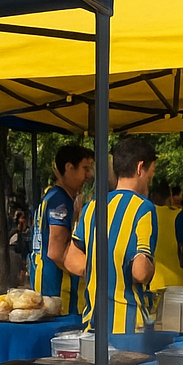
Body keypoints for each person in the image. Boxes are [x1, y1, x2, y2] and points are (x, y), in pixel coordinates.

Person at [64, 137, 158, 334]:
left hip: (93, 323)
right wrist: (150, 266)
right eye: (151, 174)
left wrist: (100, 268)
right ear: (140, 168)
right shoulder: (144, 208)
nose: (149, 181)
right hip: (129, 326)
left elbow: (71, 260)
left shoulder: (92, 207)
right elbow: (140, 272)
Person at [29, 145, 96, 315]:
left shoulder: (52, 196)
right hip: (58, 291)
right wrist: (86, 272)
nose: (89, 176)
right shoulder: (60, 200)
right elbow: (56, 252)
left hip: (45, 282)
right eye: (85, 168)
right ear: (69, 167)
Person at [150, 181, 183, 290]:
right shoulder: (178, 216)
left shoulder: (144, 213)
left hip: (148, 280)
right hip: (172, 282)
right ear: (169, 197)